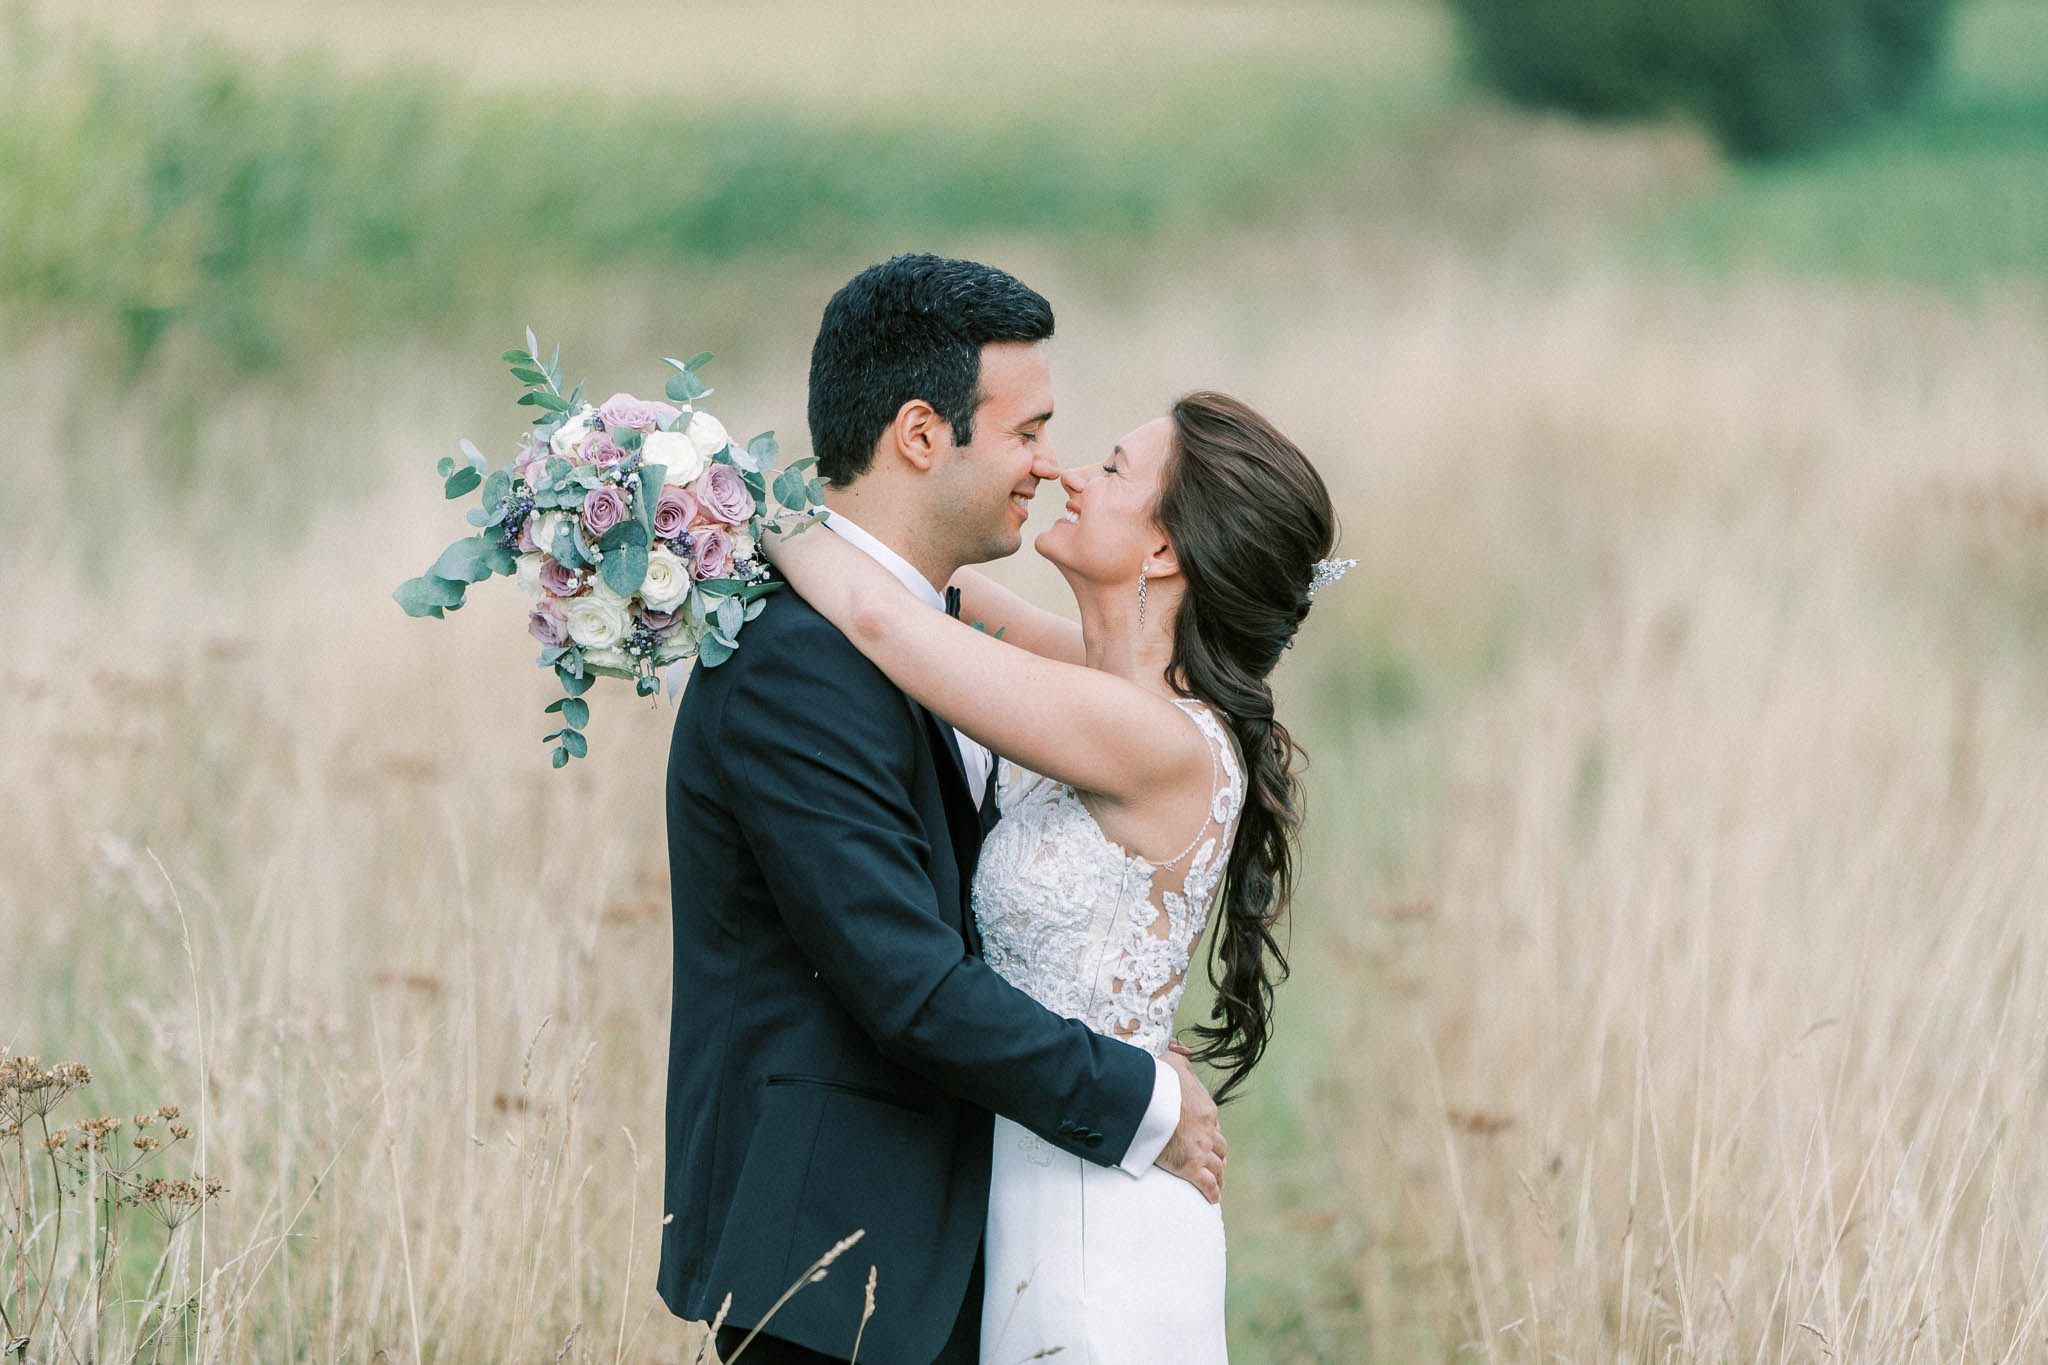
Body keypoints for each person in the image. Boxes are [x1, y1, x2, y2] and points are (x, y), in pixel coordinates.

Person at [658, 254, 1228, 1365]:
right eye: (1027, 433)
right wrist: (1140, 1098)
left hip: (976, 1242)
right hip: (834, 1263)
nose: (1050, 468)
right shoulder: (798, 664)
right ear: (922, 435)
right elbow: (903, 982)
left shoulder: (938, 639)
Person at [763, 382, 1342, 1360]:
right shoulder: (1093, 677)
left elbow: (880, 623)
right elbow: (918, 581)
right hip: (1047, 1182)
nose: (1067, 472)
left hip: (1094, 1237)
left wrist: (706, 495)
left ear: (1161, 550)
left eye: (1111, 468)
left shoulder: (1147, 734)